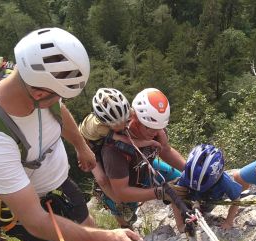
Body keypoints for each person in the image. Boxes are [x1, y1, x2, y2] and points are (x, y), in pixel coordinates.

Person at [0, 27, 142, 241]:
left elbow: (59, 110)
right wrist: (108, 238)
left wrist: (80, 146)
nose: (58, 101)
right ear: (38, 92)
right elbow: (36, 221)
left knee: (83, 222)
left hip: (56, 180)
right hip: (16, 203)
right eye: (55, 96)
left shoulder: (30, 84)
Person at [100, 88, 187, 230]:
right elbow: (121, 192)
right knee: (126, 219)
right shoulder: (114, 150)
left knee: (181, 184)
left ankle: (182, 227)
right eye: (149, 128)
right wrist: (160, 193)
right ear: (135, 117)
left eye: (159, 127)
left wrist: (191, 170)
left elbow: (165, 150)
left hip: (146, 168)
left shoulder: (155, 127)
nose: (155, 132)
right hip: (122, 184)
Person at [78, 88, 161, 206]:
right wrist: (150, 143)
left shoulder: (129, 111)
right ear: (106, 123)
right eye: (116, 125)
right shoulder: (99, 127)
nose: (122, 126)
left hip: (101, 135)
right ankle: (119, 203)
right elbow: (127, 140)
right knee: (101, 178)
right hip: (86, 143)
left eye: (126, 121)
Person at [170, 144, 243, 229]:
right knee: (175, 194)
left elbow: (236, 199)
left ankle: (199, 211)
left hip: (208, 202)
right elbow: (175, 198)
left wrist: (228, 222)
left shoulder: (224, 181)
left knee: (203, 209)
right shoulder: (185, 176)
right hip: (190, 202)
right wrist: (180, 225)